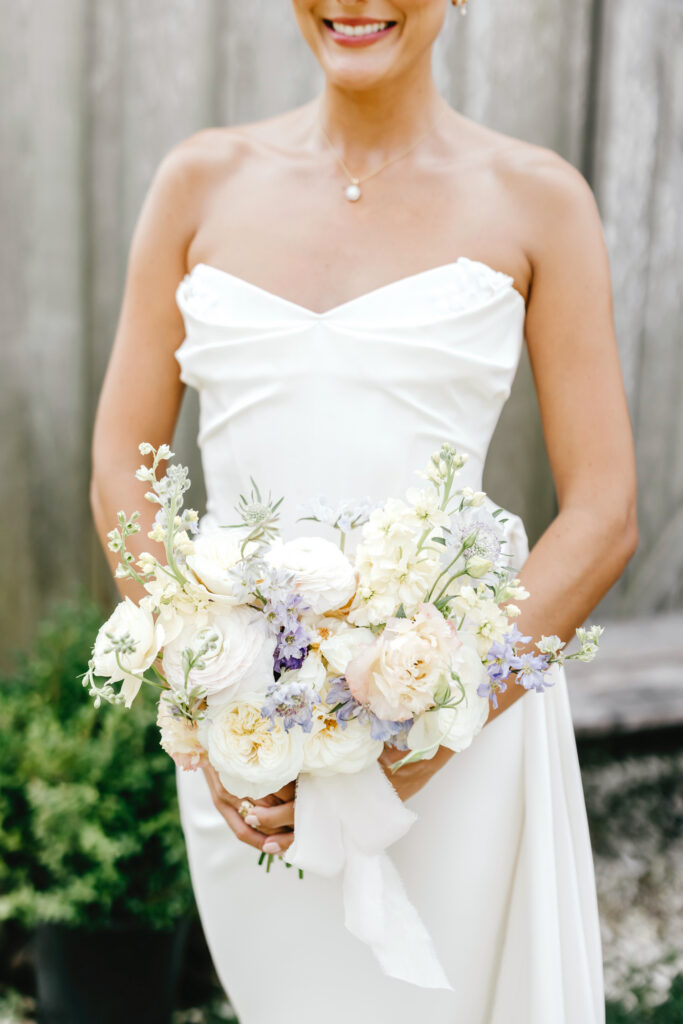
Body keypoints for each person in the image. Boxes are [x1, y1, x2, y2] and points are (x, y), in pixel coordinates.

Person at [90, 1, 638, 1020]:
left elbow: (603, 511)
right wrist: (209, 710)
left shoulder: (537, 200)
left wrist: (427, 731)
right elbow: (120, 468)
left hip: (457, 743)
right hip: (252, 741)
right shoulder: (196, 184)